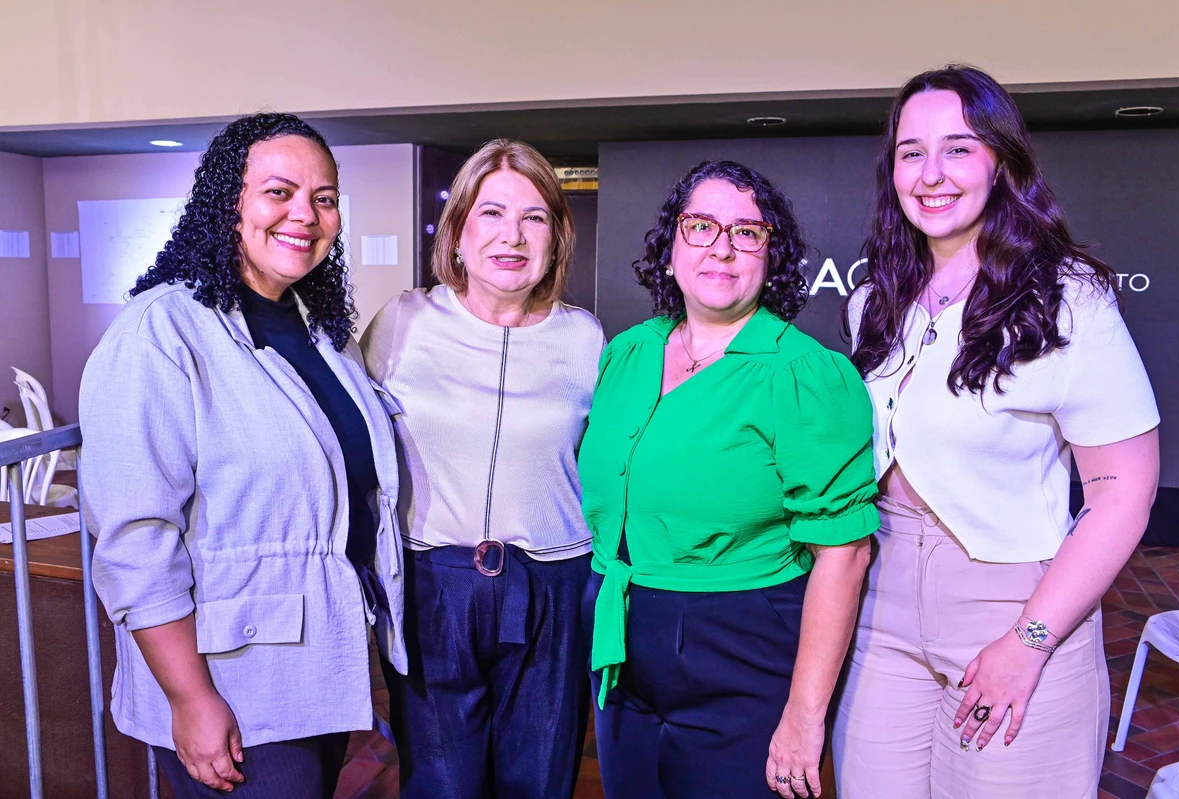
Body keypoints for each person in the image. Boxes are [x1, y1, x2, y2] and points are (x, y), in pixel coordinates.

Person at [833, 65, 1161, 798]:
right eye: (911, 152)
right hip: (881, 606)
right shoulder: (874, 303)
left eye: (958, 147)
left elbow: (1122, 495)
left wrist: (1030, 640)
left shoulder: (1067, 298)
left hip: (1013, 603)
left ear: (1001, 161)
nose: (931, 173)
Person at [79, 113, 406, 799]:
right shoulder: (160, 332)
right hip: (230, 685)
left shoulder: (322, 335)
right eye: (279, 193)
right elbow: (136, 544)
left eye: (324, 198)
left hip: (313, 670)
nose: (306, 215)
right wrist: (190, 698)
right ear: (228, 203)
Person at [579, 160, 879, 799]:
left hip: (742, 648)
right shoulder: (626, 354)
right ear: (669, 249)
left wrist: (803, 718)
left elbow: (846, 555)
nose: (722, 246)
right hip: (623, 638)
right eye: (702, 226)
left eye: (748, 232)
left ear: (772, 257)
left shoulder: (805, 376)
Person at [360, 139, 606, 799]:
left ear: (556, 239)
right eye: (492, 213)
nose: (513, 235)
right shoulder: (401, 324)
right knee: (441, 781)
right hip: (433, 579)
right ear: (459, 231)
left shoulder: (584, 338)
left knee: (540, 779)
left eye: (534, 218)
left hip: (553, 580)